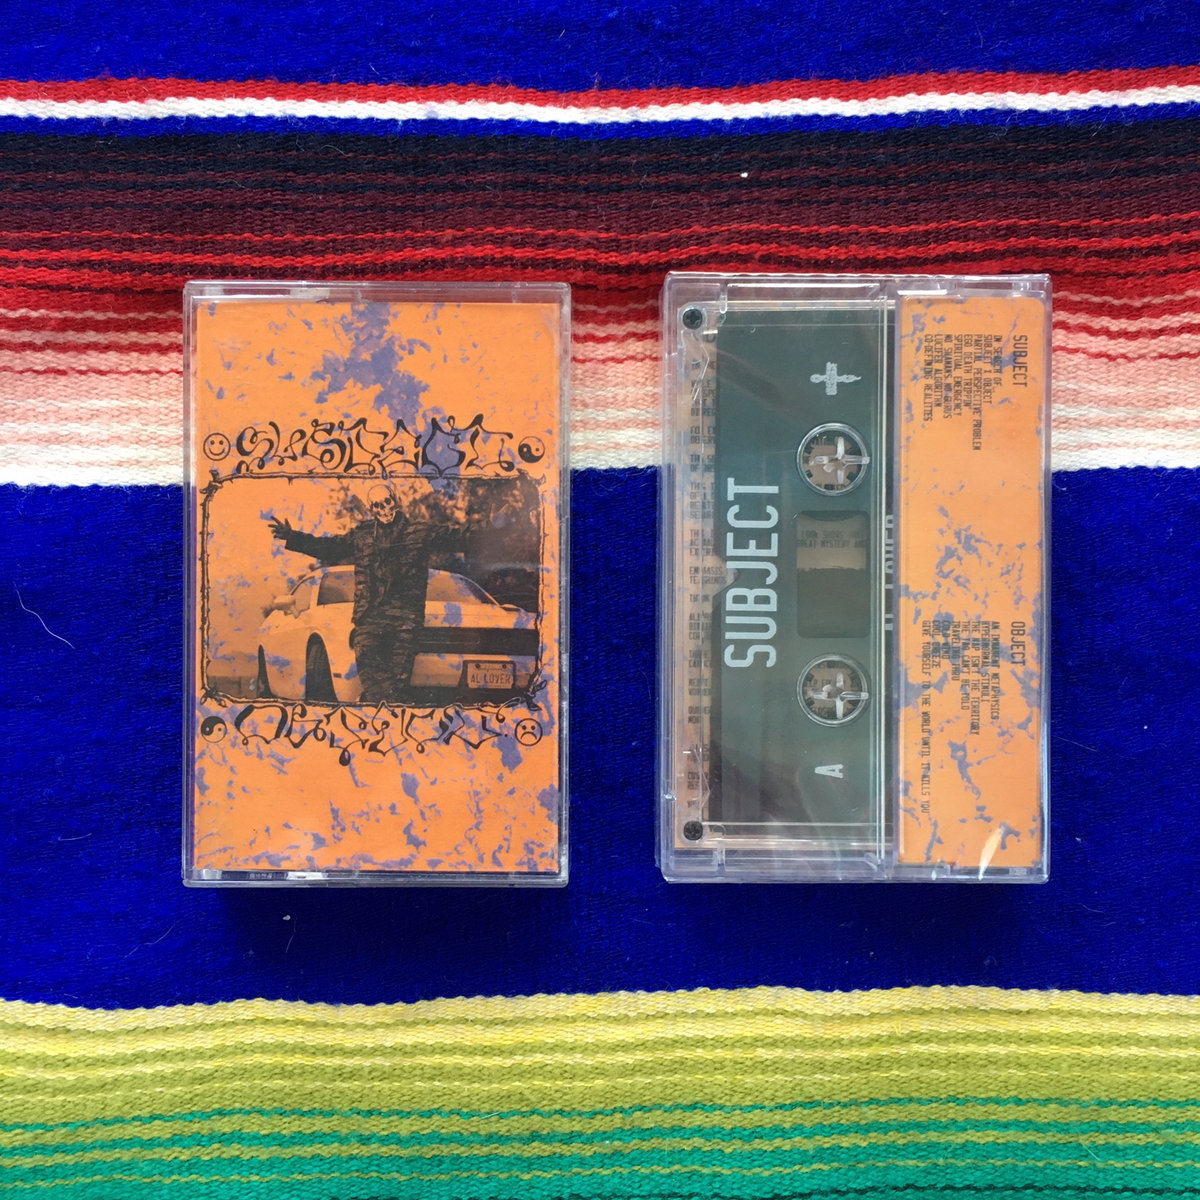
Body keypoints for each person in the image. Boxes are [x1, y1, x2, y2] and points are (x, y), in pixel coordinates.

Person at [267, 484, 459, 703]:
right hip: (370, 618)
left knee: (396, 681)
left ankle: (378, 707)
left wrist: (488, 530)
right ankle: (386, 705)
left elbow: (458, 537)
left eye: (387, 502)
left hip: (405, 620)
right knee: (372, 672)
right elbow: (329, 547)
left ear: (395, 501)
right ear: (371, 509)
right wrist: (293, 537)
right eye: (377, 506)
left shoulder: (420, 532)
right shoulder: (362, 535)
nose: (383, 509)